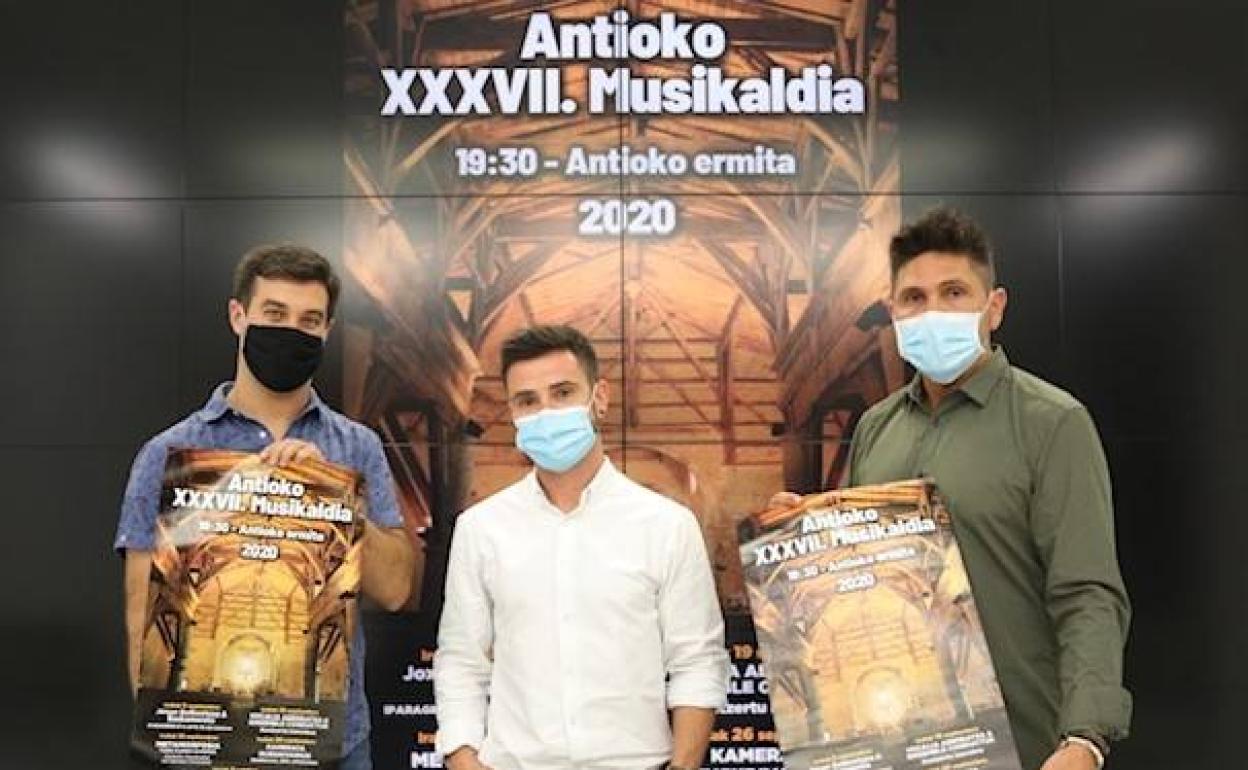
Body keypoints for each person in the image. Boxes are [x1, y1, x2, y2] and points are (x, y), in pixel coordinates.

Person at [771, 208, 1131, 770]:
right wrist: (805, 534)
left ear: (995, 307)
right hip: (901, 744)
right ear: (893, 311)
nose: (932, 311)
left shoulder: (1052, 423)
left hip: (1028, 745)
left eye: (954, 292)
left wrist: (1085, 738)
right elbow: (869, 576)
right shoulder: (877, 428)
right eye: (913, 298)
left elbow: (1087, 593)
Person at [115, 244, 418, 770]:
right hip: (204, 749)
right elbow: (143, 616)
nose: (291, 331)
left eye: (309, 320)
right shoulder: (168, 454)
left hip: (334, 749)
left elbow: (394, 591)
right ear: (239, 316)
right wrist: (173, 739)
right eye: (274, 314)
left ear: (327, 330)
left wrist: (329, 492)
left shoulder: (358, 447)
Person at [434, 324, 730, 770]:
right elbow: (461, 660)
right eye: (527, 401)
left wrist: (684, 765)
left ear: (599, 398)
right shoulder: (481, 529)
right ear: (512, 413)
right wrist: (463, 759)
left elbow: (698, 661)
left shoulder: (666, 526)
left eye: (562, 393)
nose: (546, 413)